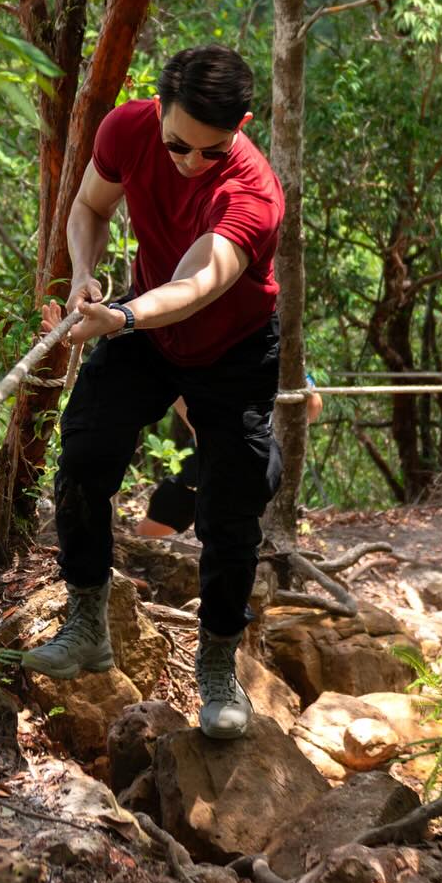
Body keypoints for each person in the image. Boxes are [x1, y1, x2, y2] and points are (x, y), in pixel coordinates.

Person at [26, 45, 284, 739]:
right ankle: (86, 623)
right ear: (158, 109)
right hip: (144, 324)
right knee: (84, 457)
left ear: (242, 126)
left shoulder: (253, 195)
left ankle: (218, 667)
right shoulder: (126, 129)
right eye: (178, 145)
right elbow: (88, 206)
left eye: (210, 150)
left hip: (230, 350)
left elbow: (198, 284)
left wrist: (123, 317)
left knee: (232, 510)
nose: (190, 162)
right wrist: (84, 273)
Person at [137, 379, 322, 539]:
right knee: (172, 506)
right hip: (214, 449)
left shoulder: (277, 359)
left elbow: (312, 403)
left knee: (238, 528)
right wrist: (203, 433)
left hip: (258, 454)